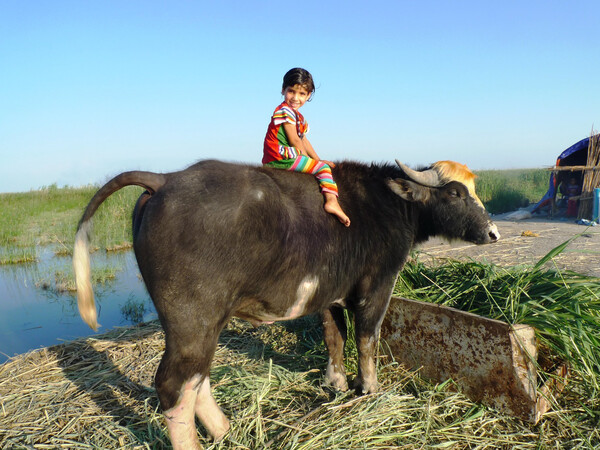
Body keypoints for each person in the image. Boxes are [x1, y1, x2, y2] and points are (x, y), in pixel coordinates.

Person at [263, 68, 350, 227]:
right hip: (281, 158)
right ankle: (332, 201)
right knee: (323, 170)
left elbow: (304, 139)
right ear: (283, 90)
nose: (296, 98)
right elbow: (295, 140)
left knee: (320, 165)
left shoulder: (297, 116)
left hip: (284, 156)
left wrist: (317, 159)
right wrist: (311, 161)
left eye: (302, 94)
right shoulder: (285, 112)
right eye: (291, 92)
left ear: (308, 95)